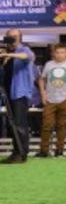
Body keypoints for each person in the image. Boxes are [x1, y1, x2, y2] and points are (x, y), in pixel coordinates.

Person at [37, 43, 66, 157]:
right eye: (57, 52)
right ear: (53, 53)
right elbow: (42, 79)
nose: (59, 55)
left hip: (65, 99)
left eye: (62, 52)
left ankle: (59, 150)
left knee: (62, 126)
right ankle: (44, 150)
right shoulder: (48, 64)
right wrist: (42, 93)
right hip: (50, 99)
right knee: (47, 125)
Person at [0, 30, 36, 164]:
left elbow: (28, 56)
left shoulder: (23, 49)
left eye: (14, 37)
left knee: (20, 124)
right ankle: (16, 152)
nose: (11, 39)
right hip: (9, 93)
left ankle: (22, 153)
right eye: (9, 37)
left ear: (20, 38)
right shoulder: (6, 54)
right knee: (13, 125)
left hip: (20, 93)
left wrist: (9, 54)